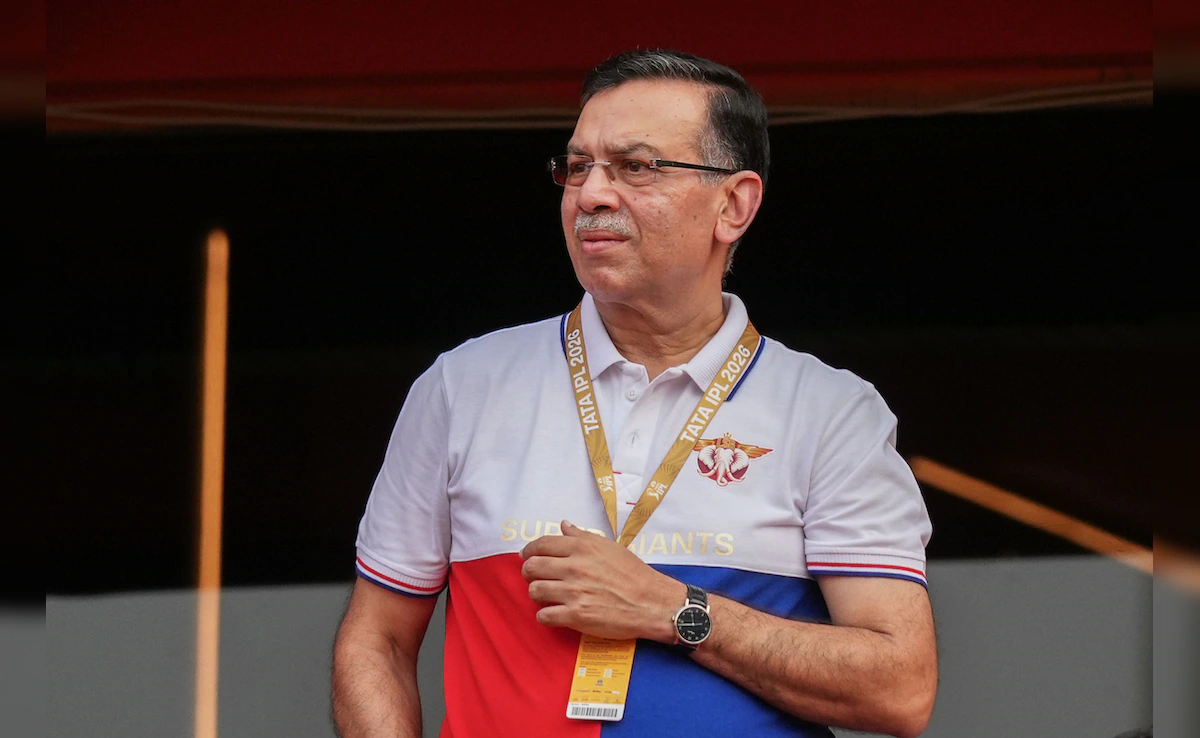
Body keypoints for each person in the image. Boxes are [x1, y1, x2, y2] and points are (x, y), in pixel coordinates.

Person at [332, 48, 937, 738]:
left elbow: (900, 689)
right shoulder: (463, 386)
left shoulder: (830, 413)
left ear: (733, 205)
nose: (590, 194)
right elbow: (376, 641)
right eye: (577, 166)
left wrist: (674, 609)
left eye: (636, 166)